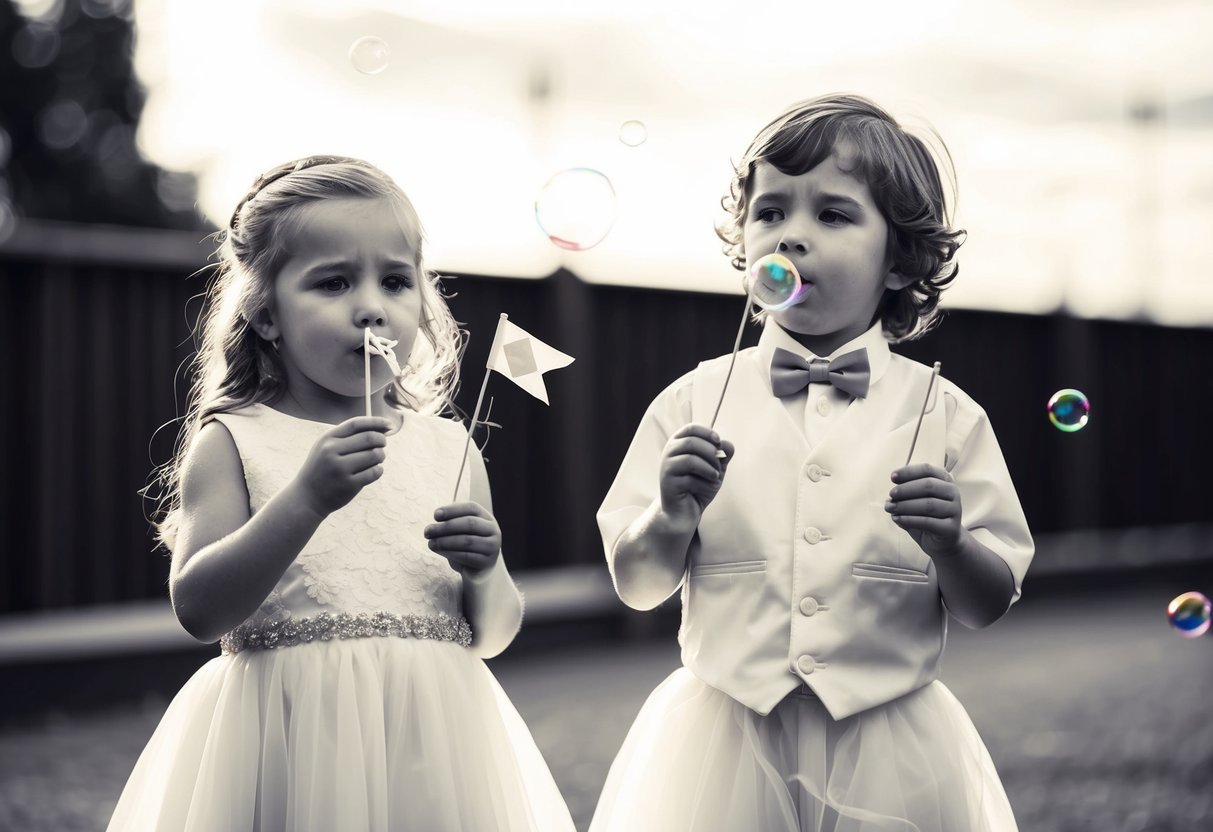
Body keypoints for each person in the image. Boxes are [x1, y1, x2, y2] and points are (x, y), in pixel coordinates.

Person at [591, 95, 1034, 831]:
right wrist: (669, 515)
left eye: (831, 215)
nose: (790, 236)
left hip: (889, 741)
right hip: (721, 742)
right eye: (770, 213)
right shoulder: (693, 403)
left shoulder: (944, 414)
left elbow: (987, 603)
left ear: (899, 263)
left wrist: (953, 544)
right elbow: (635, 586)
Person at [109, 156, 574, 832]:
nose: (369, 305)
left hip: (433, 747)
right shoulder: (237, 439)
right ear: (266, 316)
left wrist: (486, 567)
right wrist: (306, 497)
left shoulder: (450, 449)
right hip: (289, 735)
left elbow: (492, 636)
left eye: (394, 280)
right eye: (332, 282)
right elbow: (200, 609)